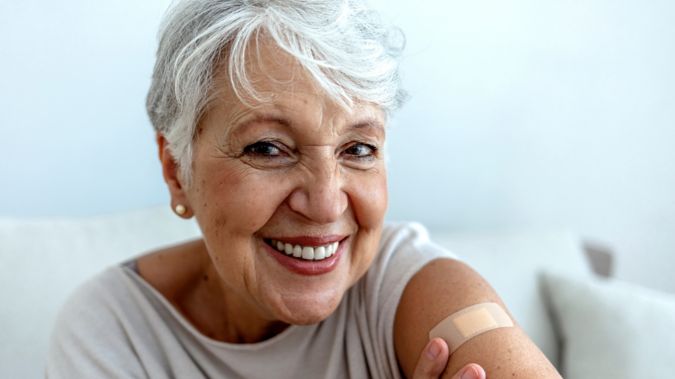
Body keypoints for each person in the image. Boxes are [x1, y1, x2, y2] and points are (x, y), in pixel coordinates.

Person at [47, 1, 562, 378]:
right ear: (176, 170)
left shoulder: (413, 286)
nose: (326, 203)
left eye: (357, 149)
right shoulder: (112, 330)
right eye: (268, 148)